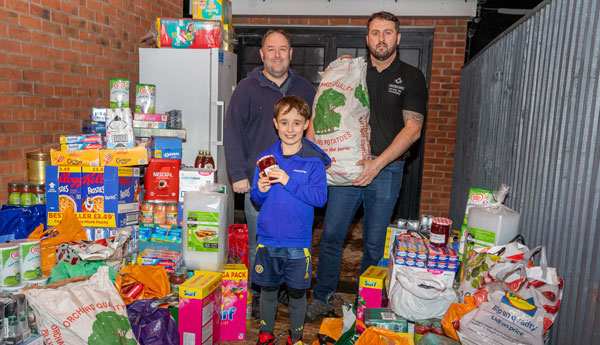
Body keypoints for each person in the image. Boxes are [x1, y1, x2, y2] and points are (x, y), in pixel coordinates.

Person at [305, 11, 428, 321]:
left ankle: (366, 302)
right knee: (332, 234)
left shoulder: (411, 77)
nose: (381, 38)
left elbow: (413, 129)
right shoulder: (354, 71)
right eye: (375, 33)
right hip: (346, 170)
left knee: (374, 243)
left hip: (387, 171)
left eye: (388, 33)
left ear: (398, 38)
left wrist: (377, 164)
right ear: (367, 38)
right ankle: (324, 297)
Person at [224, 29, 316, 317]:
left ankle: (288, 290)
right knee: (261, 244)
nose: (277, 55)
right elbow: (233, 133)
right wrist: (239, 174)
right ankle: (258, 293)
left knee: (294, 243)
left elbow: (314, 134)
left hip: (296, 184)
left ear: (291, 53)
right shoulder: (246, 88)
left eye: (283, 49)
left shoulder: (306, 89)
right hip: (260, 184)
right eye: (271, 50)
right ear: (262, 55)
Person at [250, 95, 330, 345]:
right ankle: (265, 334)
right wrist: (261, 189)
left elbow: (320, 198)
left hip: (298, 242)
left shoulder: (313, 161)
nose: (290, 129)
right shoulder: (265, 158)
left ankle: (296, 337)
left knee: (297, 292)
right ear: (275, 123)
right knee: (268, 289)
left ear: (306, 124)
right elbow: (256, 197)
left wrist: (288, 180)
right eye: (284, 122)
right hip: (268, 238)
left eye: (297, 123)